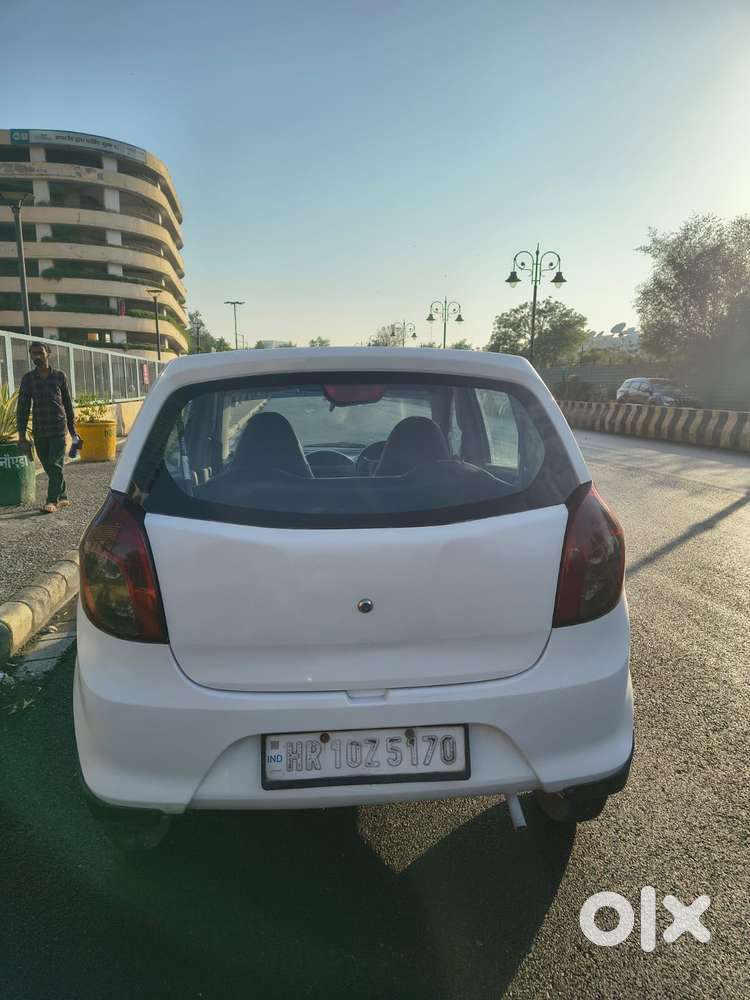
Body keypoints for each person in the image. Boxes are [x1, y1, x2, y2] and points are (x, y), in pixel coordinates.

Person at [16, 341, 77, 514]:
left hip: (58, 428)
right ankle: (63, 495)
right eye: (33, 353)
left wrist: (73, 432)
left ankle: (52, 500)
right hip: (40, 429)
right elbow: (22, 407)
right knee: (49, 465)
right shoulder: (28, 379)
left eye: (40, 353)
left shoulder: (59, 376)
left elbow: (68, 405)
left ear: (48, 353)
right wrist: (22, 435)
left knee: (55, 464)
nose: (37, 356)